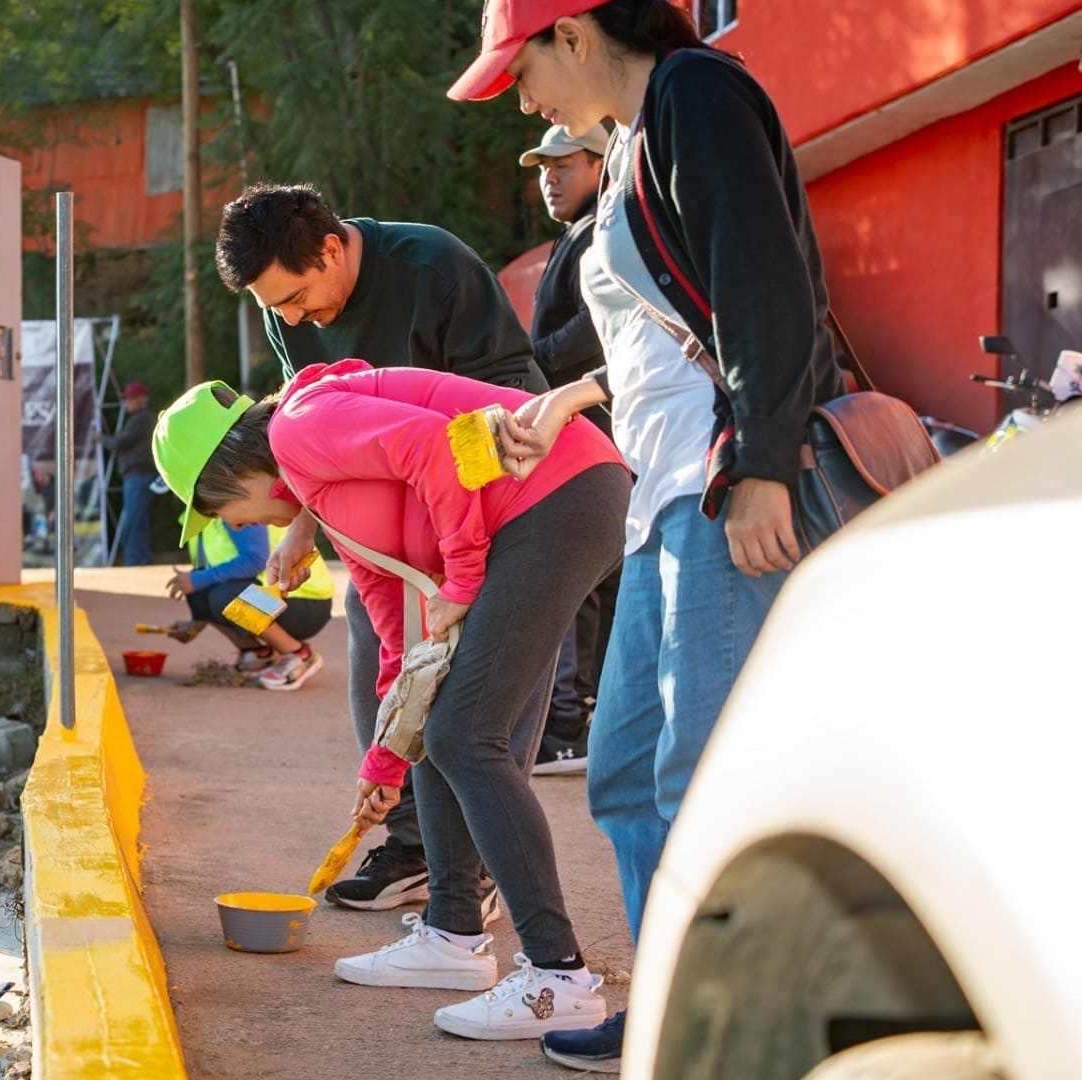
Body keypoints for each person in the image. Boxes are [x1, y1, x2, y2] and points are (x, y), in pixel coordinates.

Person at [450, 0, 850, 1068]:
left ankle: (740, 1024)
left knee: (698, 774)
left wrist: (761, 464)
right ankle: (685, 998)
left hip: (722, 488)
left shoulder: (695, 93)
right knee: (625, 770)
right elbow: (659, 331)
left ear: (573, 33)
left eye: (521, 70)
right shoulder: (629, 142)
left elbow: (764, 282)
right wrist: (571, 399)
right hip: (660, 496)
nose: (521, 98)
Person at [153, 363, 629, 1040]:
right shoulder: (332, 498)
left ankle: (558, 977)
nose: (241, 522)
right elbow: (402, 644)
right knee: (439, 724)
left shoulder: (300, 427)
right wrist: (384, 761)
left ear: (229, 479)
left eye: (224, 512)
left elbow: (434, 444)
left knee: (467, 738)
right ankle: (452, 935)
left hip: (557, 493)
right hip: (543, 508)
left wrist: (463, 577)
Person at [214, 182, 548, 911]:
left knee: (488, 673)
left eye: (299, 299)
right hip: (406, 506)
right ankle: (410, 842)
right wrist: (304, 525)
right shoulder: (292, 311)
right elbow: (310, 414)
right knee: (375, 638)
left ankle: (480, 863)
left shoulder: (431, 265)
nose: (297, 319)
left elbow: (495, 405)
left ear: (332, 248)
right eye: (280, 312)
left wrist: (458, 565)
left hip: (506, 481)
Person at [521, 122, 617, 777]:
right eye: (542, 168)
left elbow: (597, 323)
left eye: (563, 164)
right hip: (586, 426)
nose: (549, 176)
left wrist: (534, 364)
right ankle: (582, 722)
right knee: (596, 583)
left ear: (598, 162)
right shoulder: (580, 234)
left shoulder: (599, 231)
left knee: (580, 580)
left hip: (590, 427)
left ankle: (566, 728)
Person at [168, 517, 335, 691]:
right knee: (200, 589)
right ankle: (258, 654)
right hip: (273, 597)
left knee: (221, 593)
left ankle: (300, 654)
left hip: (304, 601)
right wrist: (198, 620)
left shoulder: (231, 502)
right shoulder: (201, 513)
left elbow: (255, 559)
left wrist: (197, 580)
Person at [106, 382, 159, 566]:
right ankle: (140, 560)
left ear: (141, 399)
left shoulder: (142, 419)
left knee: (134, 522)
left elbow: (121, 443)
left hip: (138, 476)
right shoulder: (143, 419)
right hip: (139, 477)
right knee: (137, 521)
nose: (127, 402)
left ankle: (136, 562)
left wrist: (103, 439)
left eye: (130, 398)